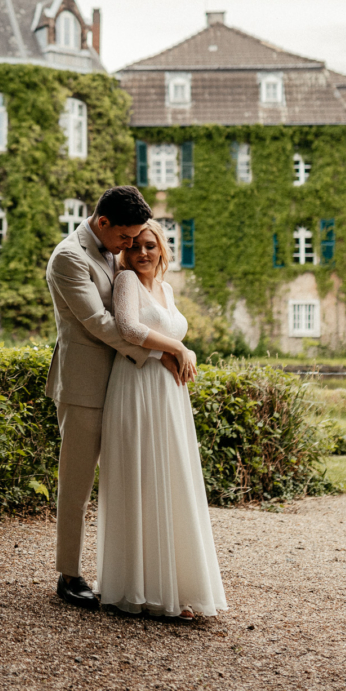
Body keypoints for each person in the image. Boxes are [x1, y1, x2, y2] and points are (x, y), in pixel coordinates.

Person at [45, 186, 181, 611]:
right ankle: (69, 575)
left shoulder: (108, 250)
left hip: (127, 384)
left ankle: (132, 575)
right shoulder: (69, 257)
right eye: (125, 238)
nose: (129, 247)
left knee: (132, 481)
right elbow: (100, 323)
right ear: (103, 223)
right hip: (86, 386)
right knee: (77, 484)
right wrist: (160, 354)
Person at [96, 219, 227, 619]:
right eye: (133, 246)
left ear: (162, 248)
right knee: (142, 478)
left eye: (149, 246)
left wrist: (182, 352)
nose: (141, 254)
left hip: (170, 395)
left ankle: (178, 586)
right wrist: (178, 348)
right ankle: (142, 588)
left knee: (172, 478)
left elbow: (160, 330)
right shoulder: (126, 283)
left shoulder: (167, 289)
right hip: (136, 387)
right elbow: (129, 328)